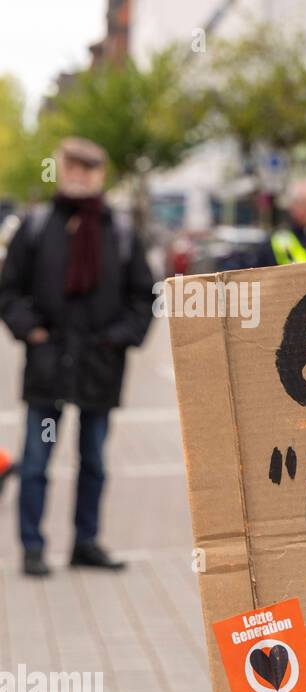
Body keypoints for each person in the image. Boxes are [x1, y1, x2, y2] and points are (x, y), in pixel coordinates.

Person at [0, 137, 155, 577]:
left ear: (100, 175)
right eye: (73, 166)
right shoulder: (37, 227)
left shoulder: (119, 231)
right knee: (36, 461)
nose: (80, 175)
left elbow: (144, 297)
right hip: (48, 367)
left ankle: (85, 543)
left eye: (89, 168)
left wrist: (116, 339)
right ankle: (33, 547)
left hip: (98, 370)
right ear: (61, 169)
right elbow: (9, 291)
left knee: (94, 461)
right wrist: (31, 331)